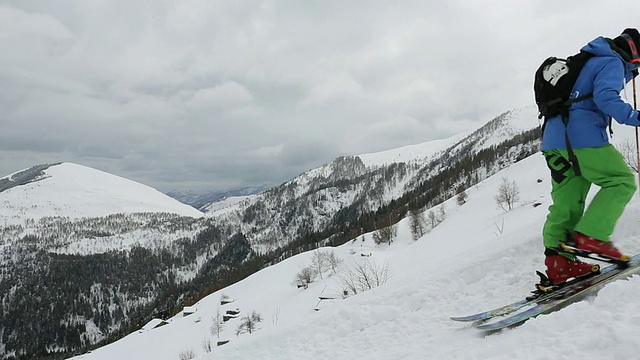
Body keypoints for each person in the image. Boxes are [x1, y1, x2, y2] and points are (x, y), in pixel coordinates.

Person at [541, 28, 640, 285]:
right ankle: (593, 236)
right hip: (582, 138)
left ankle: (559, 264)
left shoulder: (587, 61)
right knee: (621, 181)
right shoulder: (612, 62)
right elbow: (606, 97)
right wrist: (634, 117)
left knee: (567, 203)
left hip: (554, 141)